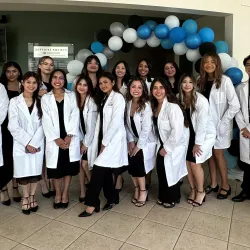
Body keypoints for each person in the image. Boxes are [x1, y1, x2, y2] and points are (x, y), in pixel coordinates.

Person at [78, 72, 128, 217]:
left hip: (112, 141)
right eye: (100, 83)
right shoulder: (104, 98)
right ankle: (112, 197)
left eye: (106, 82)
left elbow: (116, 121)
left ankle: (91, 204)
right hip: (102, 139)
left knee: (98, 170)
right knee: (105, 172)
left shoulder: (118, 98)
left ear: (113, 82)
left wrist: (105, 143)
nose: (103, 85)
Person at [198, 52, 240, 199]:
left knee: (218, 154)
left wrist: (223, 122)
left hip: (220, 125)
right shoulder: (199, 80)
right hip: (205, 126)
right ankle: (214, 184)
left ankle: (225, 185)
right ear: (202, 65)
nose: (209, 64)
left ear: (217, 64)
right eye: (206, 62)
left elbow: (234, 105)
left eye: (212, 62)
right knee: (209, 154)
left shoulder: (225, 81)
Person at [41, 69, 81, 209]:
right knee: (56, 170)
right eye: (55, 78)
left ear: (65, 81)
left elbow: (75, 115)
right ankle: (57, 193)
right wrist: (56, 139)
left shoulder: (72, 95)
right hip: (55, 139)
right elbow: (45, 120)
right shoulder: (45, 98)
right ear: (51, 80)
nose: (58, 81)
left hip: (69, 136)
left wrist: (69, 136)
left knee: (68, 168)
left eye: (61, 78)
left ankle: (65, 193)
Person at [8, 72, 44, 215]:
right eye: (28, 82)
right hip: (21, 144)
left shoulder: (41, 102)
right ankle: (25, 198)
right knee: (23, 173)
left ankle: (33, 196)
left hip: (37, 143)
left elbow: (44, 125)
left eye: (34, 82)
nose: (31, 85)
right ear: (22, 83)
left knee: (35, 172)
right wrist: (27, 142)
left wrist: (34, 143)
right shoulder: (15, 101)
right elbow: (12, 125)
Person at [151, 77, 189, 208]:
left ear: (166, 89)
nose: (158, 91)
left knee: (170, 172)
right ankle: (164, 196)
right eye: (155, 88)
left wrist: (167, 148)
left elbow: (177, 130)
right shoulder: (155, 106)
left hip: (173, 145)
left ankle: (171, 198)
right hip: (161, 142)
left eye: (161, 87)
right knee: (162, 170)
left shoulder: (172, 107)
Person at [178, 73, 216, 206]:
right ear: (181, 85)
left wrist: (198, 143)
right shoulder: (179, 98)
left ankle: (200, 191)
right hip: (188, 135)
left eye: (190, 82)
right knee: (187, 163)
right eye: (184, 82)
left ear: (194, 84)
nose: (187, 85)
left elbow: (202, 124)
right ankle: (193, 189)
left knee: (195, 163)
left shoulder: (201, 100)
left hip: (203, 136)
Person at [125, 77, 156, 207]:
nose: (136, 90)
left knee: (137, 163)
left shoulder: (146, 105)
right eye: (133, 86)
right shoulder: (127, 103)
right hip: (133, 139)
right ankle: (136, 188)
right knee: (130, 163)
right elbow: (125, 124)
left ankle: (143, 191)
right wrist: (131, 142)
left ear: (143, 90)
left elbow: (147, 129)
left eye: (139, 87)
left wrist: (138, 145)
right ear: (129, 88)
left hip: (146, 141)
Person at [0, 61, 22, 205]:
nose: (11, 74)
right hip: (3, 126)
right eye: (8, 71)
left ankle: (15, 187)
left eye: (14, 71)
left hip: (20, 127)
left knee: (16, 158)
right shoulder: (1, 87)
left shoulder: (24, 84)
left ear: (19, 72)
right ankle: (3, 190)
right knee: (5, 158)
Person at [75, 74, 97, 202]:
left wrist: (85, 144)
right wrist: (80, 140)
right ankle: (83, 190)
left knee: (85, 164)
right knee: (80, 165)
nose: (82, 87)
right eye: (80, 84)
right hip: (81, 138)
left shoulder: (91, 101)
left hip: (91, 139)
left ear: (89, 87)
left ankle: (93, 187)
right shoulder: (75, 100)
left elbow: (92, 127)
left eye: (85, 85)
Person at [37, 56, 55, 198]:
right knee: (41, 154)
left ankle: (50, 179)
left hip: (53, 123)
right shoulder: (34, 83)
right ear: (39, 66)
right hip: (38, 122)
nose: (48, 67)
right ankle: (43, 182)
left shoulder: (56, 82)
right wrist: (35, 93)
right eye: (45, 64)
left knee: (50, 151)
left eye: (51, 64)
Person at [233, 55, 250, 202]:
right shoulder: (241, 87)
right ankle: (246, 191)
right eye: (248, 65)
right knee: (247, 164)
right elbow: (237, 109)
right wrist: (243, 128)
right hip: (246, 131)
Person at [112, 60, 131, 191]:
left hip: (125, 123)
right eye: (117, 67)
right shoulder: (110, 84)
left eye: (123, 68)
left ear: (126, 71)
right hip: (111, 123)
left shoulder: (129, 86)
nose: (120, 70)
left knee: (121, 151)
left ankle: (118, 177)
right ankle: (115, 176)